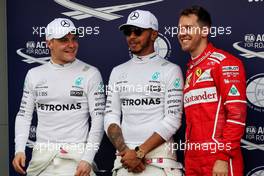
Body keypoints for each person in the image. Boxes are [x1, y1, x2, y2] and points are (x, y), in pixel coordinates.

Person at [12, 18, 105, 176]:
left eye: (74, 39)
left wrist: (88, 158)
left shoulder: (91, 73)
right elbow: (24, 115)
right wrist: (19, 149)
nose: (71, 45)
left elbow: (99, 119)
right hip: (41, 159)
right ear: (49, 43)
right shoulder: (34, 75)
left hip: (77, 159)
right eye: (64, 40)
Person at [104, 10, 184, 176]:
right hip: (125, 162)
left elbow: (173, 120)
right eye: (128, 32)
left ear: (154, 34)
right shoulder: (117, 72)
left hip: (160, 163)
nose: (132, 36)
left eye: (138, 31)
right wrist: (126, 152)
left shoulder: (170, 70)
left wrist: (139, 152)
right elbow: (110, 116)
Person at [177, 6, 247, 176]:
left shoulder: (225, 63)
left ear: (204, 31)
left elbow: (236, 115)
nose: (182, 33)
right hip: (193, 160)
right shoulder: (190, 70)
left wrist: (223, 156)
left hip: (219, 160)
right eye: (180, 29)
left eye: (188, 28)